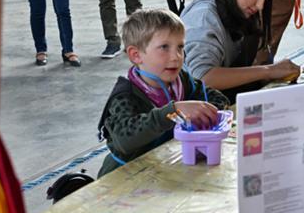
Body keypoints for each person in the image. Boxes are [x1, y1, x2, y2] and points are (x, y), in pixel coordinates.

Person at [97, 9, 230, 178]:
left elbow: (216, 98)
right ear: (136, 55)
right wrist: (173, 112)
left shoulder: (182, 81)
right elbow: (125, 140)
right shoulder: (125, 95)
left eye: (180, 47)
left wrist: (205, 114)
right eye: (164, 47)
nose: (176, 57)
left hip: (164, 167)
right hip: (123, 176)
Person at [181, 0, 300, 101]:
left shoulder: (241, 11)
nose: (260, 6)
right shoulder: (204, 17)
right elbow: (202, 77)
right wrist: (268, 71)